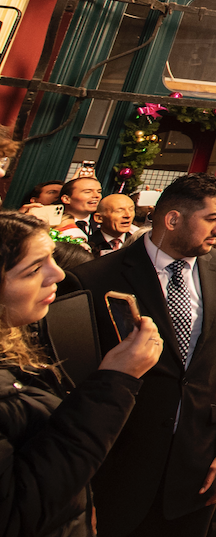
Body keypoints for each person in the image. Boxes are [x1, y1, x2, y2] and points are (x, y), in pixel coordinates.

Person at [65, 173, 216, 537]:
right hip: (117, 461)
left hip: (197, 463)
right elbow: (76, 379)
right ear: (172, 219)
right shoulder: (94, 278)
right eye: (212, 218)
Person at [0, 210, 164, 537]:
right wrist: (115, 381)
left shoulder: (17, 343)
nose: (58, 275)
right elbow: (16, 510)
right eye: (34, 269)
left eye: (51, 259)